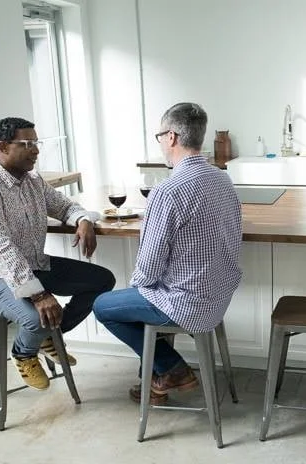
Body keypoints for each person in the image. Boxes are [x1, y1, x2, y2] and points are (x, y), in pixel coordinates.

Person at [93, 102, 242, 405]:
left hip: (185, 303)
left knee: (104, 305)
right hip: (219, 296)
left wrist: (140, 289)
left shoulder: (169, 190)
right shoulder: (223, 179)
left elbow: (147, 268)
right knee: (142, 302)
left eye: (160, 136)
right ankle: (154, 382)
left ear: (172, 137)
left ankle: (173, 369)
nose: (160, 142)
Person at [0, 117, 116, 390]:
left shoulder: (32, 181)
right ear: (3, 146)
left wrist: (83, 220)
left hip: (33, 265)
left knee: (102, 280)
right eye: (27, 144)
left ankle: (50, 334)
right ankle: (23, 352)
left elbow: (66, 207)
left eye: (36, 143)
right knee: (36, 317)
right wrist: (40, 295)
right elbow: (1, 249)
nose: (36, 150)